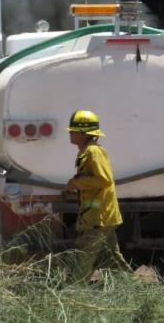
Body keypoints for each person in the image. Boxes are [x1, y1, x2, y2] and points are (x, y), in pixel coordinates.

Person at [65, 110, 132, 282]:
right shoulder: (88, 151)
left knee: (84, 252)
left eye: (73, 131)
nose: (70, 134)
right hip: (101, 216)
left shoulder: (94, 152)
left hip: (98, 217)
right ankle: (131, 288)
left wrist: (76, 183)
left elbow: (104, 179)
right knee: (112, 257)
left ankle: (76, 290)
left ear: (83, 133)